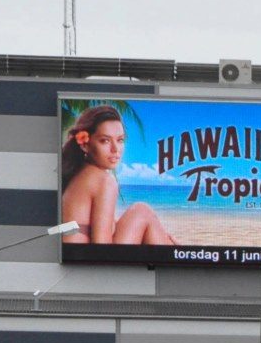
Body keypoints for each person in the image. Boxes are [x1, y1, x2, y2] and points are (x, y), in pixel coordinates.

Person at [59, 105, 176, 246]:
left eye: (120, 140)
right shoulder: (104, 180)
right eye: (105, 140)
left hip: (72, 258)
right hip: (89, 264)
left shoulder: (79, 173)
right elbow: (102, 249)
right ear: (85, 145)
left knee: (150, 223)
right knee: (142, 211)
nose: (115, 149)